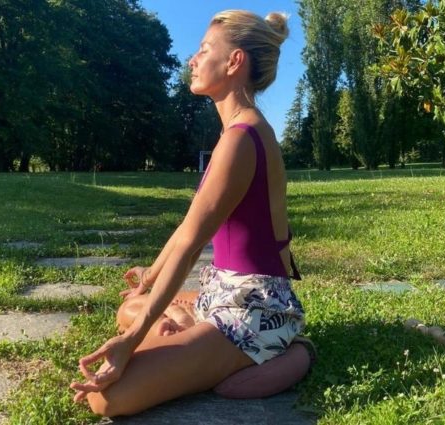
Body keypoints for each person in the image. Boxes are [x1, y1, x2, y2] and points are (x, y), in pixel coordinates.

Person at [71, 10, 306, 417]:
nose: (192, 60)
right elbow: (188, 228)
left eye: (203, 50)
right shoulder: (238, 132)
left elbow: (191, 244)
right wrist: (149, 277)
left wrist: (133, 341)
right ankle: (185, 325)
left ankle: (296, 351)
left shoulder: (242, 139)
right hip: (224, 290)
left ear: (234, 62)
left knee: (107, 397)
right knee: (130, 306)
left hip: (252, 312)